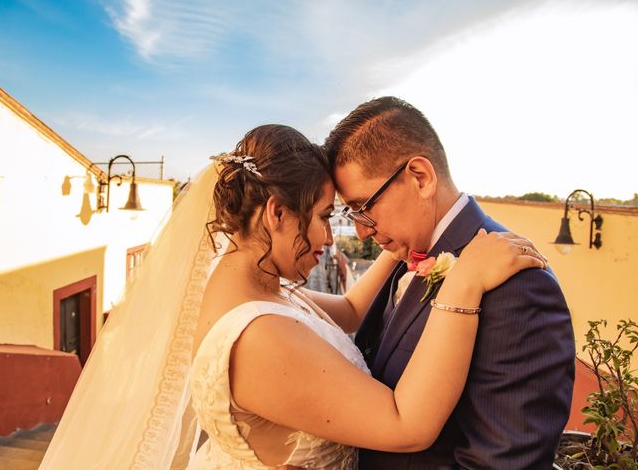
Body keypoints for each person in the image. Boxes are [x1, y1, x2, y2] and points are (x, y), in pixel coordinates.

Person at [40, 124, 545, 470]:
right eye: (325, 216)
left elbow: (345, 312)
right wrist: (463, 283)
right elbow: (405, 424)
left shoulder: (251, 282)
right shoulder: (258, 337)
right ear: (277, 213)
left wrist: (404, 238)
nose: (331, 237)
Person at [324, 97, 576, 469]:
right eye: (352, 214)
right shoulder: (403, 250)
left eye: (364, 208)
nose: (360, 231)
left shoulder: (519, 287)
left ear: (420, 178)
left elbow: (501, 461)